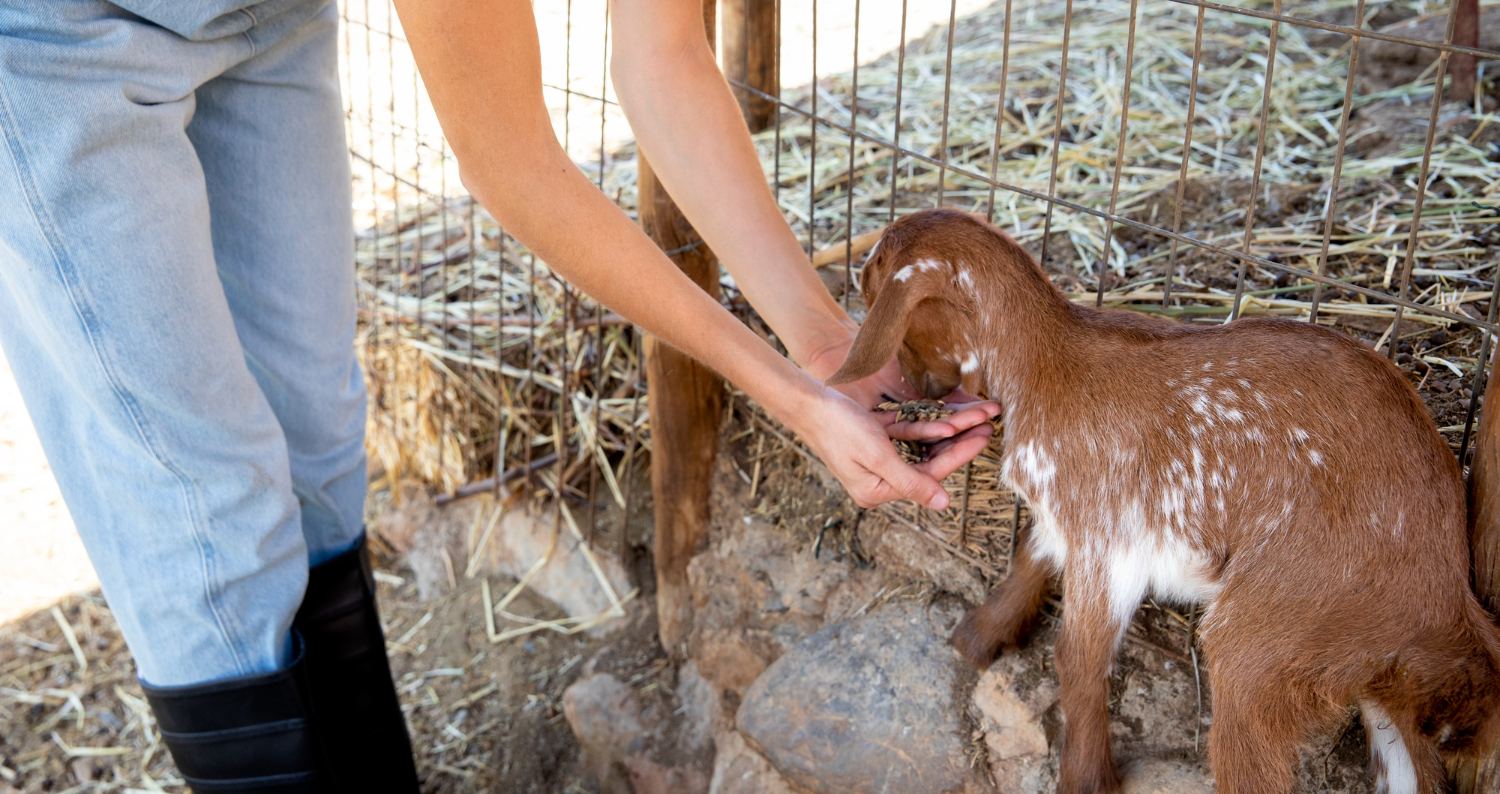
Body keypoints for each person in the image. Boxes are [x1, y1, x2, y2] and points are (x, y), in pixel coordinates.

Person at [0, 0, 998, 790]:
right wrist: (782, 393)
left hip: (259, 14)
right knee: (209, 518)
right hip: (58, 38)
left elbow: (665, 62)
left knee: (317, 450)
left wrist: (823, 346)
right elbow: (513, 162)